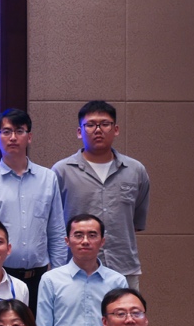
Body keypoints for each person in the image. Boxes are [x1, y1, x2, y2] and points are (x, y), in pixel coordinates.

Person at [0, 109, 67, 310]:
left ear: (29, 137)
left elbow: (56, 231)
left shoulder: (48, 179)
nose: (13, 137)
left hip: (39, 278)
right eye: (6, 132)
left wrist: (58, 275)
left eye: (19, 131)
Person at [53, 101, 151, 288]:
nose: (98, 130)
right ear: (79, 132)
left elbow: (135, 223)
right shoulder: (62, 171)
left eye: (105, 124)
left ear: (116, 129)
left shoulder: (135, 170)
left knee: (127, 309)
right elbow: (54, 223)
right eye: (90, 125)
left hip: (123, 269)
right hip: (76, 271)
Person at [36, 214, 128, 326]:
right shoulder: (51, 279)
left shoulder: (117, 281)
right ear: (67, 241)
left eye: (92, 235)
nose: (85, 241)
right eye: (78, 235)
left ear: (102, 241)